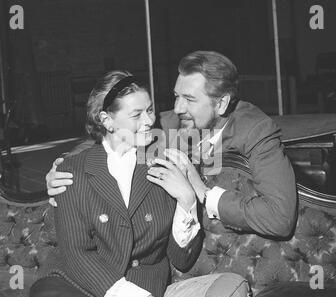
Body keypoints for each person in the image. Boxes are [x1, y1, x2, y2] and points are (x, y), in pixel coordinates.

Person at [30, 70, 249, 297]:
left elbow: (182, 260)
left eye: (150, 110)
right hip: (82, 289)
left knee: (231, 287)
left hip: (149, 290)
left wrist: (187, 200)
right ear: (107, 120)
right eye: (137, 115)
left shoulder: (163, 165)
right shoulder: (72, 172)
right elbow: (78, 255)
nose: (149, 121)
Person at [47, 51, 297, 239]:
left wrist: (205, 193)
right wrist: (63, 169)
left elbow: (280, 218)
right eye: (176, 96)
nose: (177, 108)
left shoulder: (255, 132)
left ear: (221, 104)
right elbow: (109, 138)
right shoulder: (172, 123)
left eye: (189, 99)